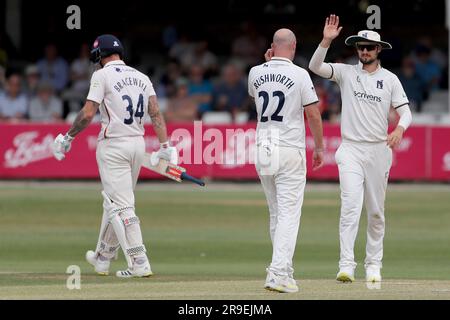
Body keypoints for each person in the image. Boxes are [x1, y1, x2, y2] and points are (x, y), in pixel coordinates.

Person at [52, 34, 178, 278]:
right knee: (114, 202)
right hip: (137, 145)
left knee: (120, 206)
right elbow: (155, 114)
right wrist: (165, 145)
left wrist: (67, 138)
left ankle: (139, 261)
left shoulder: (101, 75)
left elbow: (88, 114)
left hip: (113, 146)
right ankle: (103, 257)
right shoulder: (142, 77)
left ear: (99, 56)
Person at [309, 15, 413, 283]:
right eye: (360, 47)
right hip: (351, 150)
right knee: (350, 207)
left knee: (376, 211)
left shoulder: (389, 79)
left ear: (378, 50)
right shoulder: (346, 72)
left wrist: (400, 129)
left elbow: (406, 112)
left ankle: (374, 265)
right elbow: (315, 66)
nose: (364, 51)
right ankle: (346, 265)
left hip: (378, 150)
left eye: (369, 47)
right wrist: (326, 40)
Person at [249, 28, 324, 293]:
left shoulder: (255, 72)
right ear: (293, 46)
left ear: (273, 46)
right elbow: (313, 114)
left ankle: (285, 270)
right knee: (289, 215)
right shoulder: (300, 74)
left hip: (264, 147)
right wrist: (320, 146)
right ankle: (278, 273)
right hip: (289, 147)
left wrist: (266, 63)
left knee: (277, 213)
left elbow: (257, 94)